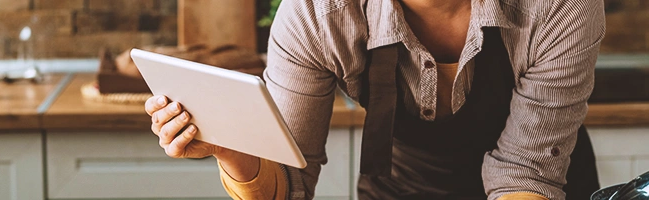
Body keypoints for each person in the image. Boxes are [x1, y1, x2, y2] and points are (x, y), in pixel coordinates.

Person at [144, 0, 605, 199]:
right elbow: (287, 183)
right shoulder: (317, 14)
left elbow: (525, 174)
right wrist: (234, 151)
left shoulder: (560, 7)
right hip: (402, 187)